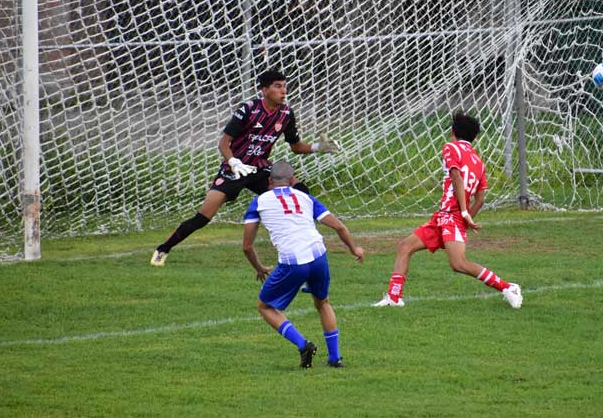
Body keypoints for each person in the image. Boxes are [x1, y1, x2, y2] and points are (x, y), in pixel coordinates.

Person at [151, 68, 339, 266]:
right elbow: (224, 143)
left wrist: (318, 147)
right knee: (203, 216)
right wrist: (233, 162)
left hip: (259, 168)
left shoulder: (286, 114)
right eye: (277, 87)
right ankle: (163, 249)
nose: (283, 91)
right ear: (264, 90)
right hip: (236, 168)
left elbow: (296, 147)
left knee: (298, 189)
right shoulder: (249, 109)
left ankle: (307, 238)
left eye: (284, 86)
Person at [373, 112, 523, 309]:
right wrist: (467, 218)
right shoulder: (479, 162)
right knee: (405, 246)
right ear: (474, 137)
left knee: (458, 263)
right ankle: (394, 297)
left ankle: (508, 288)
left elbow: (456, 176)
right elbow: (480, 199)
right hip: (444, 217)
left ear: (452, 132)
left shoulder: (450, 147)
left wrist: (463, 213)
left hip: (452, 216)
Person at [242, 160, 364, 368]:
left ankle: (303, 344)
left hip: (292, 261)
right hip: (318, 256)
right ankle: (335, 358)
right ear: (293, 180)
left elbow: (247, 246)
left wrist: (259, 268)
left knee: (265, 306)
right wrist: (355, 249)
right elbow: (339, 227)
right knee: (323, 303)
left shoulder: (259, 202)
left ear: (269, 180)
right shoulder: (306, 198)